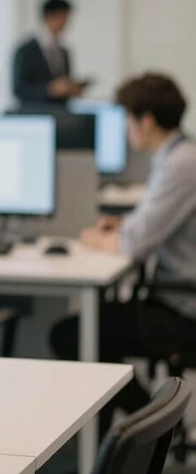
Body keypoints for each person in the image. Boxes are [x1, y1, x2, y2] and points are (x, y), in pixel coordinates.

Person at [51, 72, 196, 436]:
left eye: (128, 119)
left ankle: (155, 422)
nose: (127, 130)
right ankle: (140, 426)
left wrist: (94, 238)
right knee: (89, 326)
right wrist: (124, 224)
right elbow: (148, 224)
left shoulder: (181, 163)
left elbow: (136, 244)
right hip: (175, 295)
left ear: (146, 120)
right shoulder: (176, 155)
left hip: (183, 308)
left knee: (74, 335)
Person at [12, 0, 85, 106]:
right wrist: (50, 89)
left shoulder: (64, 51)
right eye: (62, 16)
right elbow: (19, 90)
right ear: (48, 16)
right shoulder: (25, 50)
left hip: (61, 114)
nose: (66, 22)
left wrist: (71, 88)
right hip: (35, 114)